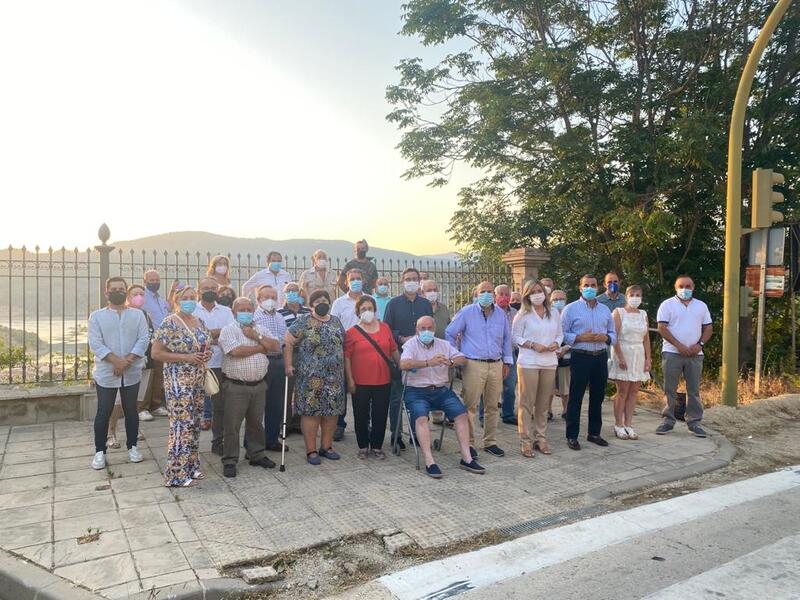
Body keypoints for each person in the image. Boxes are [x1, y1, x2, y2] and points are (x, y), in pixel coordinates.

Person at [401, 316, 486, 478]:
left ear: (434, 329)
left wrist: (451, 362)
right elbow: (404, 364)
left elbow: (463, 359)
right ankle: (429, 460)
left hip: (440, 390)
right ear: (417, 330)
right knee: (421, 418)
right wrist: (428, 362)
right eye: (422, 328)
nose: (426, 331)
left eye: (429, 328)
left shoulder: (444, 344)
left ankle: (466, 458)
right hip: (416, 390)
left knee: (461, 415)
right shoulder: (411, 344)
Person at [151, 286, 212, 487]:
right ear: (177, 300)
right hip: (178, 380)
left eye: (192, 297)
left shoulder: (199, 321)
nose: (189, 301)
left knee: (195, 423)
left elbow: (204, 345)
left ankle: (192, 467)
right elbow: (156, 353)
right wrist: (186, 357)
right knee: (181, 425)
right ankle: (176, 474)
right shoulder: (170, 322)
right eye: (185, 298)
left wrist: (206, 354)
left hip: (197, 377)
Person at [88, 277, 150, 470]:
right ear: (107, 293)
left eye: (121, 289)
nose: (118, 292)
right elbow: (96, 343)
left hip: (131, 372)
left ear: (126, 292)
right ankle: (100, 452)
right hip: (107, 372)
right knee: (104, 411)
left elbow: (143, 339)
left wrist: (126, 362)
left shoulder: (137, 315)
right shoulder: (97, 316)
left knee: (131, 410)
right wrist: (116, 361)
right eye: (114, 289)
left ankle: (132, 447)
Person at [445, 281, 513, 458]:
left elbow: (506, 339)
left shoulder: (500, 314)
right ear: (476, 293)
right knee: (470, 406)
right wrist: (456, 354)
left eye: (490, 291)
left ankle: (490, 442)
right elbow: (450, 333)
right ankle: (468, 443)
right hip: (473, 364)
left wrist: (507, 362)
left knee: (492, 405)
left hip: (496, 364)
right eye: (483, 291)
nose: (487, 294)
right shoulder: (467, 312)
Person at [217, 298, 280, 477]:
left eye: (248, 309)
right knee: (232, 425)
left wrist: (256, 337)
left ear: (253, 311)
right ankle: (230, 459)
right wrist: (262, 348)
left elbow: (276, 347)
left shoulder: (260, 329)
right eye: (241, 309)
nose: (246, 312)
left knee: (256, 423)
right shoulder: (228, 330)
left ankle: (256, 454)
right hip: (236, 386)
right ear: (234, 311)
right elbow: (236, 352)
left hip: (259, 385)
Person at [284, 290, 346, 465]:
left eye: (325, 300)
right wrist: (288, 365)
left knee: (331, 412)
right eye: (318, 300)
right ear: (311, 305)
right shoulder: (303, 321)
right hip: (310, 377)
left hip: (334, 377)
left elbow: (343, 343)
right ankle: (311, 450)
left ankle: (326, 447)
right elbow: (288, 342)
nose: (322, 303)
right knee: (311, 413)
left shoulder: (336, 321)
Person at [560, 275, 617, 450]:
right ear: (580, 288)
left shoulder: (605, 310)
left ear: (598, 287)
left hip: (600, 356)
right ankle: (572, 435)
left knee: (597, 396)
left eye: (593, 285)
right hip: (580, 356)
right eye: (586, 285)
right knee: (576, 397)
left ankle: (594, 433)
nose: (590, 288)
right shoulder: (570, 309)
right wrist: (579, 337)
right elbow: (561, 334)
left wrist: (605, 337)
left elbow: (614, 335)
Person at [656, 275, 713, 437]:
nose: (685, 289)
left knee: (694, 390)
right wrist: (678, 345)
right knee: (670, 389)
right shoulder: (667, 305)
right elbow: (662, 327)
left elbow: (708, 328)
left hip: (695, 354)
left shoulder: (701, 306)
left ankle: (694, 422)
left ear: (693, 288)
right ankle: (668, 421)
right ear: (675, 287)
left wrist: (699, 345)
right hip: (672, 352)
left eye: (688, 286)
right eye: (681, 286)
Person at [383, 268, 433, 448]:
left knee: (418, 397)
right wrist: (401, 338)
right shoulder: (393, 304)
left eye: (414, 279)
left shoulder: (425, 304)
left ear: (419, 281)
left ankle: (417, 434)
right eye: (408, 279)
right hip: (399, 356)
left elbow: (431, 327)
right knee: (396, 398)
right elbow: (386, 330)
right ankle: (396, 436)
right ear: (402, 282)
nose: (411, 281)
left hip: (421, 357)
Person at [512, 281, 563, 457]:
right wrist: (533, 345)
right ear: (527, 295)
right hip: (529, 362)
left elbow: (560, 333)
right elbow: (515, 337)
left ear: (545, 293)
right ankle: (525, 440)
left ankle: (540, 438)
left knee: (543, 403)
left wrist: (557, 343)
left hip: (549, 362)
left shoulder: (554, 312)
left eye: (539, 291)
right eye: (533, 292)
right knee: (526, 402)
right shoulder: (523, 314)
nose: (537, 294)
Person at [344, 296, 399, 459]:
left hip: (383, 380)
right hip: (360, 381)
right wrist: (350, 380)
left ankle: (376, 445)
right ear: (357, 312)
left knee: (380, 414)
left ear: (375, 311)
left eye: (370, 308)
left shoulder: (385, 328)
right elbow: (346, 357)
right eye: (363, 309)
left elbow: (394, 349)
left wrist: (402, 366)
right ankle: (362, 445)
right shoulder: (351, 333)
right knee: (360, 414)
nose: (367, 312)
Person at [108, 284, 155, 450]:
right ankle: (111, 433)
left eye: (142, 294)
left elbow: (147, 337)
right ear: (128, 296)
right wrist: (121, 361)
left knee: (136, 399)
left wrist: (134, 359)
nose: (139, 297)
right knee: (116, 402)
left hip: (141, 362)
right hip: (119, 364)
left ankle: (133, 430)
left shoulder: (144, 315)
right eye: (135, 294)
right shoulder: (117, 313)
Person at [193, 278, 234, 450]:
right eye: (205, 288)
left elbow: (230, 334)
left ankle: (218, 442)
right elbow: (191, 337)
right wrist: (215, 335)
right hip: (195, 364)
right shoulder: (191, 310)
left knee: (220, 407)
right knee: (193, 405)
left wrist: (206, 335)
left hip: (219, 364)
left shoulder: (226, 311)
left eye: (212, 287)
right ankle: (190, 444)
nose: (209, 290)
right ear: (199, 290)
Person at [608, 285, 651, 440]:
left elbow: (646, 338)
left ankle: (628, 424)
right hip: (624, 353)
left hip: (638, 354)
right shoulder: (619, 313)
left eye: (638, 295)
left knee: (634, 391)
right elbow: (615, 337)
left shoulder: (643, 314)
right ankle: (618, 424)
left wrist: (648, 358)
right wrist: (620, 357)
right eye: (632, 294)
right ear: (626, 296)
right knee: (623, 391)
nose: (635, 297)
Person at [253, 285, 289, 451]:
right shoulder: (254, 317)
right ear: (259, 299)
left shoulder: (280, 317)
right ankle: (253, 443)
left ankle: (272, 439)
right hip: (262, 360)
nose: (270, 300)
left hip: (278, 361)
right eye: (266, 297)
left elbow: (283, 340)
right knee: (258, 405)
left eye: (273, 297)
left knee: (276, 404)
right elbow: (258, 341)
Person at [279, 282, 311, 433]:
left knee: (302, 389)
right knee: (287, 389)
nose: (291, 292)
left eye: (294, 290)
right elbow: (281, 333)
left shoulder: (308, 312)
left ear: (300, 292)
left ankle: (299, 422)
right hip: (289, 352)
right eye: (288, 290)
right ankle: (286, 423)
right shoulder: (279, 312)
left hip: (305, 353)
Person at [140, 269, 170, 420]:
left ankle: (156, 405)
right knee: (148, 375)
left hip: (162, 341)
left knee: (159, 375)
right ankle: (142, 407)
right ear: (145, 281)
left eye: (157, 280)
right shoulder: (142, 298)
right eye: (151, 280)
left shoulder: (160, 299)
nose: (154, 282)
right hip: (148, 341)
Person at [495, 284, 518, 426]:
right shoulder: (490, 311)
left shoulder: (515, 312)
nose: (504, 297)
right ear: (495, 296)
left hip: (511, 354)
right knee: (489, 388)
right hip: (494, 355)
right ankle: (483, 416)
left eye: (506, 294)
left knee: (510, 386)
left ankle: (508, 413)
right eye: (501, 294)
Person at [549, 289, 571, 419]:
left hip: (566, 354)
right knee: (548, 385)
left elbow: (575, 334)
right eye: (555, 299)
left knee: (565, 385)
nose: (558, 302)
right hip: (549, 354)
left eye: (561, 299)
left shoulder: (570, 315)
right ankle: (547, 411)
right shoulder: (547, 315)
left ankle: (566, 410)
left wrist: (566, 348)